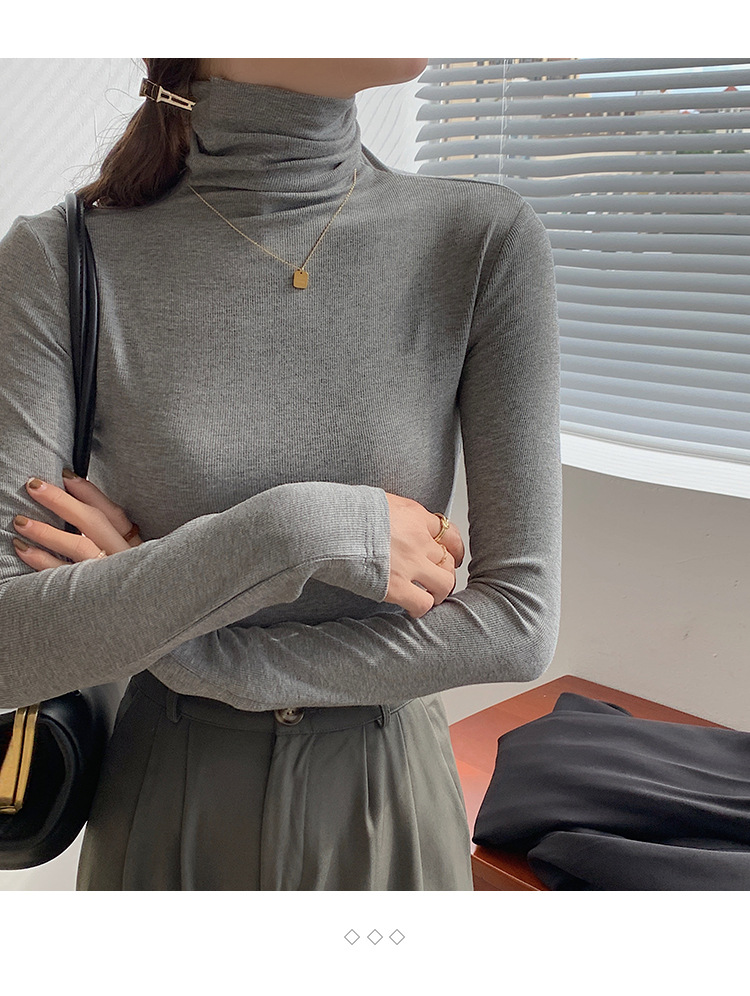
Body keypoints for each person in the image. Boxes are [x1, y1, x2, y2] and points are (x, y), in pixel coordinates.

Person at [0, 58, 562, 890]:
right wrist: (303, 531)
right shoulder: (60, 257)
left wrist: (193, 654)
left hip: (388, 803)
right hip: (163, 806)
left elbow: (518, 624)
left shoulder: (479, 239)